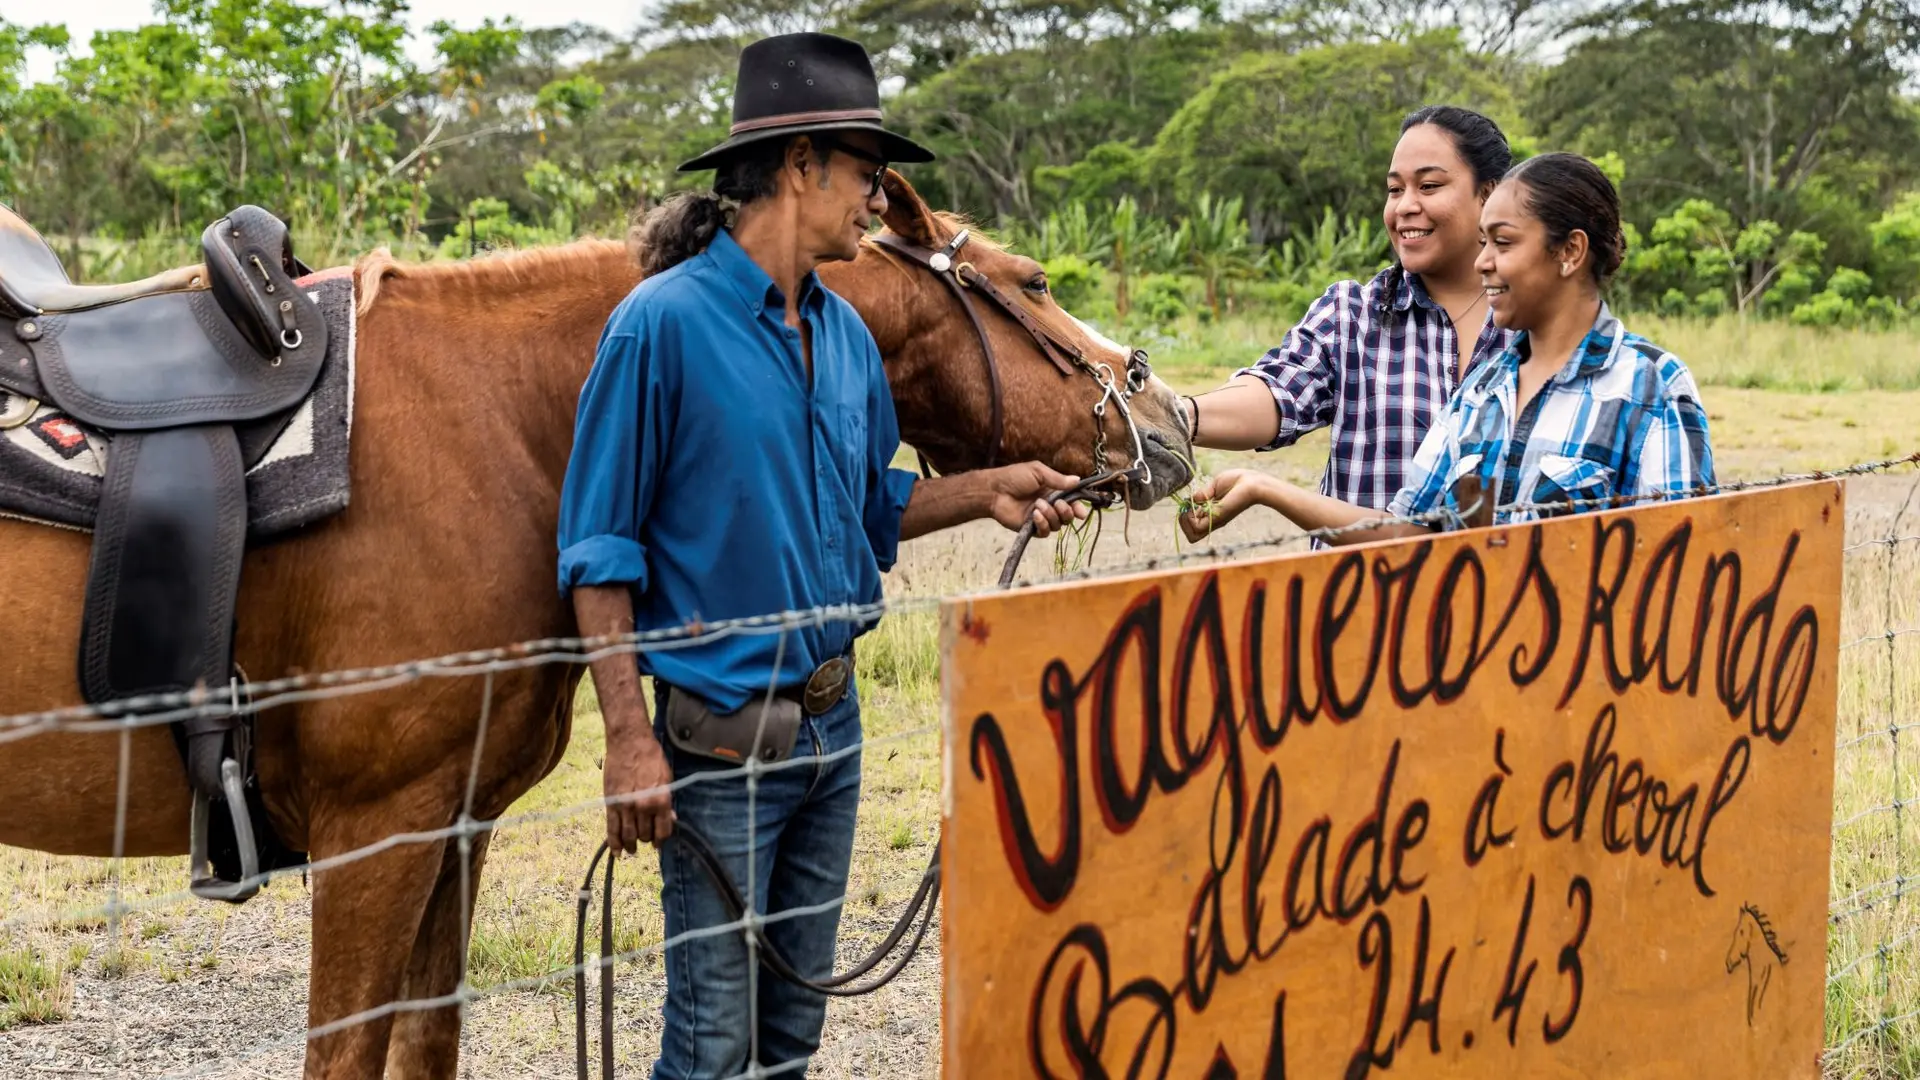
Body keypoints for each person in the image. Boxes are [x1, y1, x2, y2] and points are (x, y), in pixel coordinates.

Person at [555, 32, 1088, 1080]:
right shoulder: (655, 329)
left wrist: (990, 492)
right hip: (718, 747)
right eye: (864, 172)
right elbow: (599, 548)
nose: (877, 199)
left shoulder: (841, 335)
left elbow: (859, 510)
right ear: (799, 168)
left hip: (833, 739)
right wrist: (627, 738)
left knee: (792, 1037)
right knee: (711, 1045)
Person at [1178, 151, 1715, 545]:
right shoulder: (1483, 391)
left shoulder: (1652, 387)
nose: (1485, 262)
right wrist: (1266, 488)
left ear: (1571, 251)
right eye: (1394, 188)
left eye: (1502, 243)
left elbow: (1681, 572)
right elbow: (1412, 538)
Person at [1179, 106, 1518, 545]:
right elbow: (1276, 392)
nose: (1405, 207)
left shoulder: (1530, 325)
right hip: (1358, 601)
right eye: (1395, 190)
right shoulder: (1354, 314)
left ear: (1488, 195)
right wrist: (1175, 417)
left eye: (1429, 186)